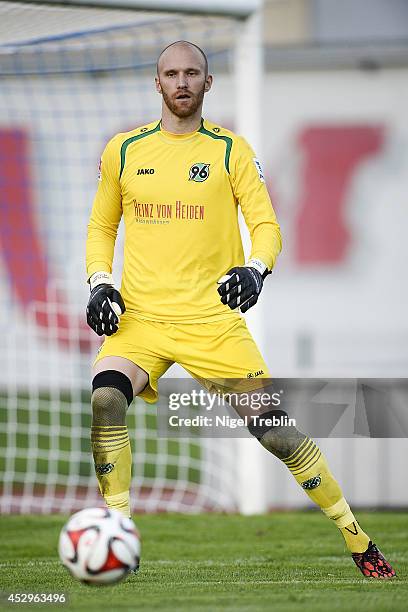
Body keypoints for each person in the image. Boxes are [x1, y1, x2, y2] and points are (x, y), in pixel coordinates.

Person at [85, 41, 395, 579]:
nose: (182, 82)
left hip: (213, 324)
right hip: (142, 322)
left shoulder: (230, 151)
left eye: (192, 73)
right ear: (156, 83)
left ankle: (357, 539)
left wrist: (256, 269)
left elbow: (268, 225)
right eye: (171, 74)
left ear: (208, 84)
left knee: (275, 432)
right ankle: (118, 536)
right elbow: (101, 226)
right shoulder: (124, 151)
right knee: (107, 398)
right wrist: (99, 283)